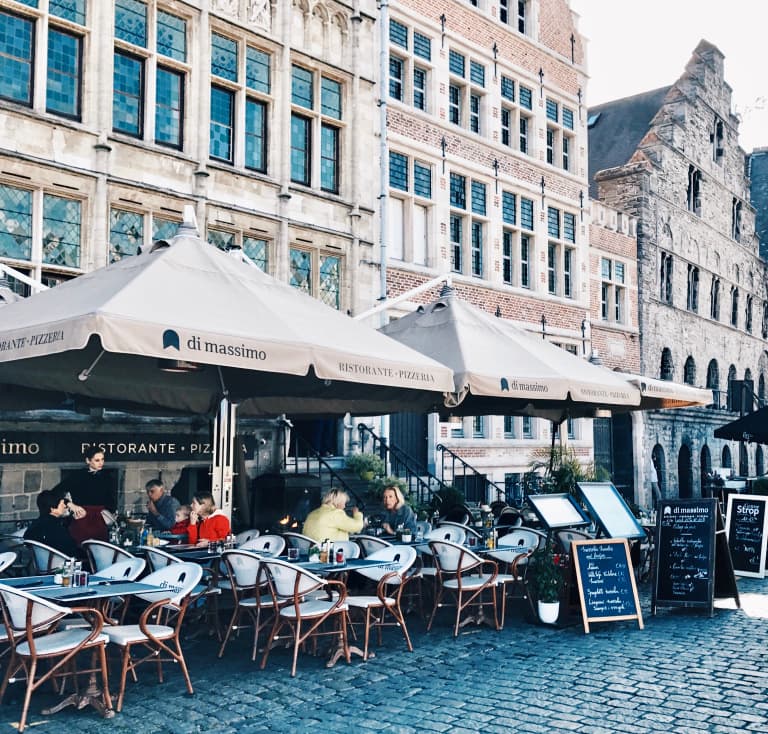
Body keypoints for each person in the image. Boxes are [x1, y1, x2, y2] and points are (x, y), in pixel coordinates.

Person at [53, 446, 118, 546]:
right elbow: (54, 493)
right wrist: (70, 504)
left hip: (100, 519)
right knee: (81, 549)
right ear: (88, 461)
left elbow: (111, 500)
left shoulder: (107, 477)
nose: (101, 463)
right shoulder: (77, 476)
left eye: (102, 459)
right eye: (97, 460)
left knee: (100, 549)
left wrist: (110, 512)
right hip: (81, 517)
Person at [24, 488, 79, 558]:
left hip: (41, 566)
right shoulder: (55, 527)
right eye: (62, 504)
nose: (65, 506)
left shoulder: (35, 524)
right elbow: (71, 549)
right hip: (59, 564)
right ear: (52, 508)